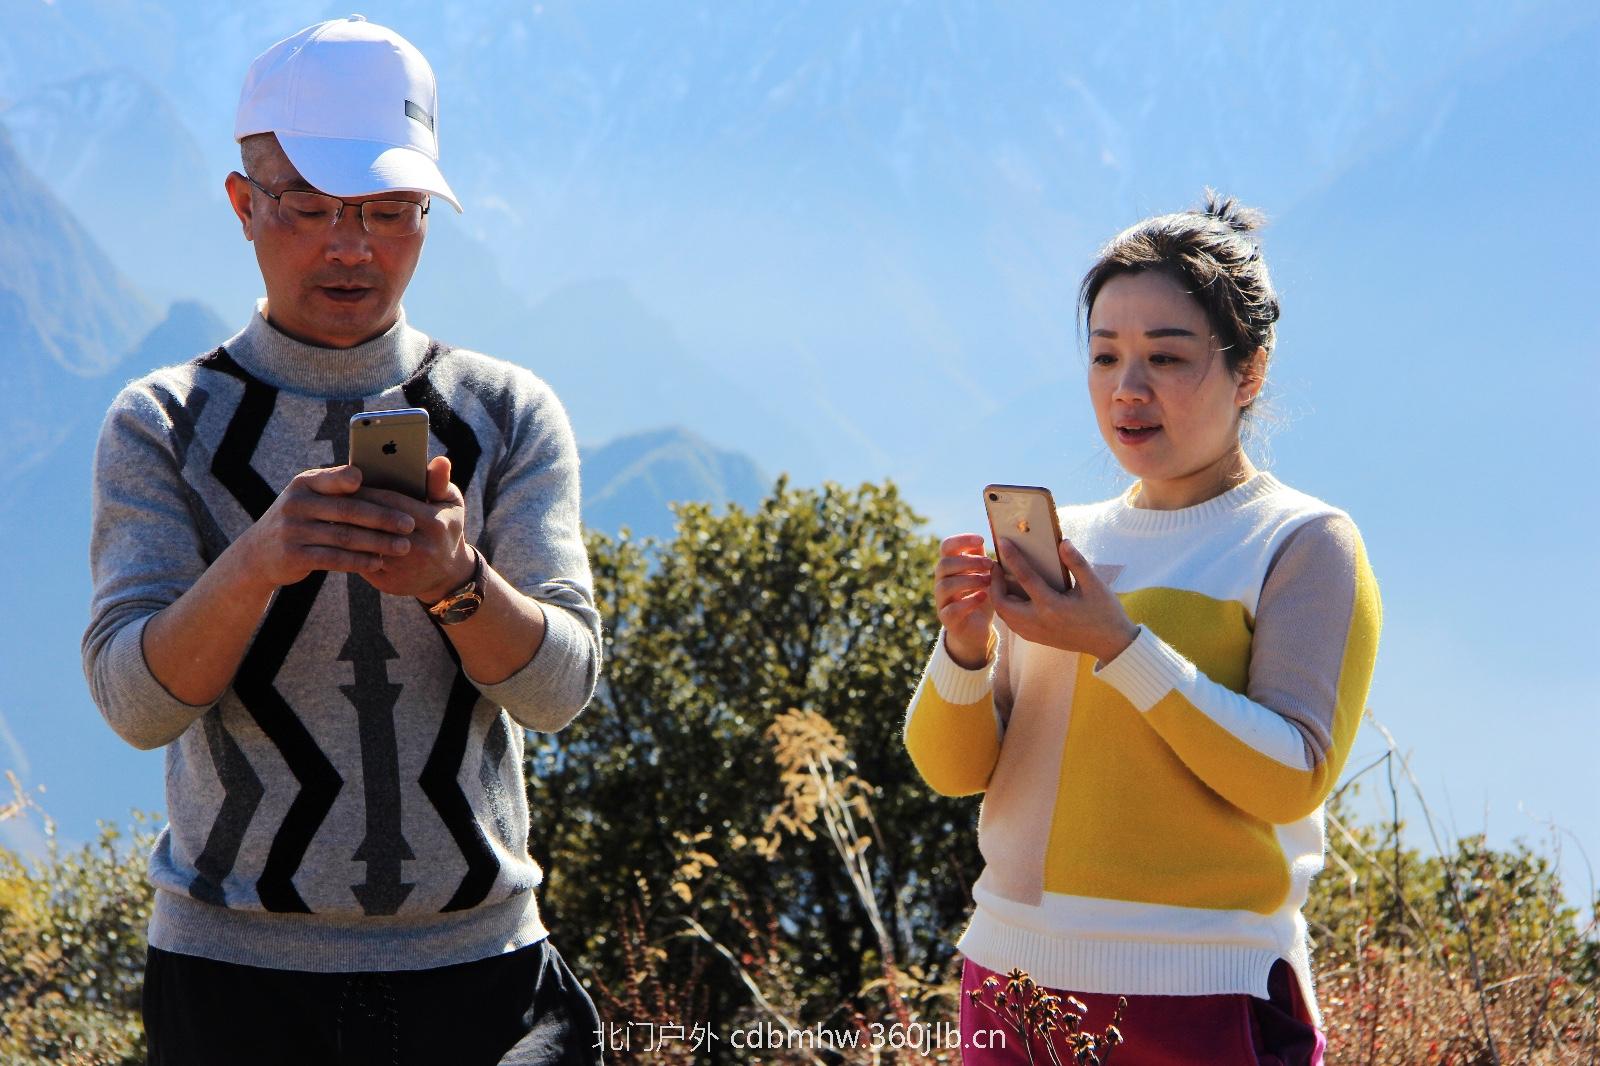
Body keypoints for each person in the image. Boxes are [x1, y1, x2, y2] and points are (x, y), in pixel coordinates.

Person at [81, 17, 603, 1065]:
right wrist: (259, 561)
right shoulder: (162, 424)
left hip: (485, 971)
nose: (351, 246)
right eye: (311, 208)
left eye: (388, 212)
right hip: (234, 984)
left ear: (428, 215)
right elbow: (135, 704)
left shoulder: (506, 413)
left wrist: (456, 581)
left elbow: (562, 689)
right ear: (243, 205)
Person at [903, 193, 1380, 1065]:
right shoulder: (1067, 541)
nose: (1128, 388)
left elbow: (1293, 778)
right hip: (1011, 986)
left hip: (1208, 999)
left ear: (1249, 371)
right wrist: (965, 648)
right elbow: (952, 770)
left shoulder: (1302, 543)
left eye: (1166, 356)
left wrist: (1119, 647)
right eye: (1105, 355)